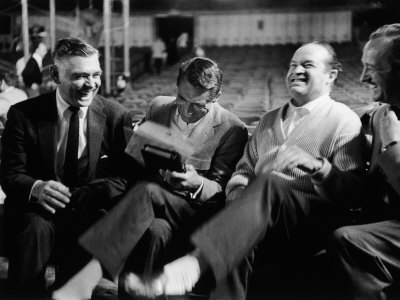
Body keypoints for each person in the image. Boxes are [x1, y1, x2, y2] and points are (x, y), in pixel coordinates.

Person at [131, 41, 368, 300]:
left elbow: (353, 194)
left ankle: (194, 265)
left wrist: (317, 167)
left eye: (307, 65)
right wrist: (238, 192)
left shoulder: (344, 120)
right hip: (261, 217)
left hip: (307, 224)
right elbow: (243, 170)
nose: (296, 70)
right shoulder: (269, 120)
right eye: (292, 65)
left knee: (270, 183)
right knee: (239, 224)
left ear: (331, 75)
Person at [52, 57, 248, 300]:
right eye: (182, 99)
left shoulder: (232, 128)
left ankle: (87, 276)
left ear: (215, 97)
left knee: (147, 191)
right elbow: (134, 157)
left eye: (197, 106)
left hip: (192, 211)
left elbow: (221, 191)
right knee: (154, 232)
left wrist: (196, 183)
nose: (186, 110)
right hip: (147, 209)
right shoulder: (159, 107)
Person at [1, 37, 133, 298]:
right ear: (55, 75)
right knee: (33, 229)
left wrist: (89, 194)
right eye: (80, 76)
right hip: (37, 211)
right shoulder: (23, 114)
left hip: (88, 208)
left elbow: (124, 177)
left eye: (96, 75)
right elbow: (10, 174)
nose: (91, 84)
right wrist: (36, 187)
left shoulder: (116, 115)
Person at [327, 23, 400, 300]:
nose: (362, 78)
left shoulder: (388, 124)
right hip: (386, 223)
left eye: (373, 68)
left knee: (349, 240)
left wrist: (392, 146)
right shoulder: (382, 115)